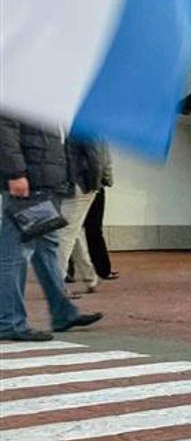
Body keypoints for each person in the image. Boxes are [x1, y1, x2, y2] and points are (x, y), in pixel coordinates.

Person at [0, 116, 103, 341]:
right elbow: (5, 133)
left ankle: (63, 312)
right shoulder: (16, 91)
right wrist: (16, 173)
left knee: (47, 249)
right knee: (16, 252)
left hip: (45, 184)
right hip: (29, 185)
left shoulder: (44, 95)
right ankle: (9, 321)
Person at [59, 138, 110, 294]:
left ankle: (56, 286)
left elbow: (97, 158)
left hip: (78, 185)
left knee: (64, 234)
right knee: (70, 231)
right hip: (73, 185)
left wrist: (92, 185)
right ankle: (89, 277)